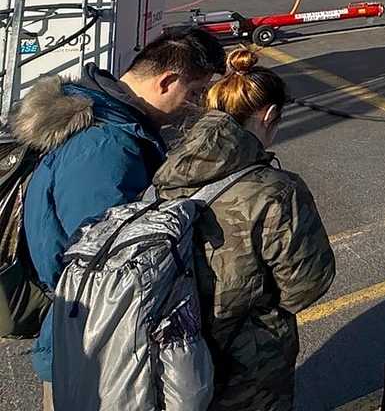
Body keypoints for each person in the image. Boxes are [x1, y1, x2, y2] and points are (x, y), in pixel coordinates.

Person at [10, 26, 226, 407]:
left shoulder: (114, 124)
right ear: (167, 81)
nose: (193, 105)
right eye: (192, 93)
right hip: (95, 348)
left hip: (90, 332)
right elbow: (107, 266)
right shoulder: (106, 146)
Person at [151, 48, 336, 411]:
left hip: (172, 351)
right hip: (247, 364)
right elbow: (304, 288)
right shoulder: (276, 191)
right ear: (268, 116)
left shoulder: (167, 169)